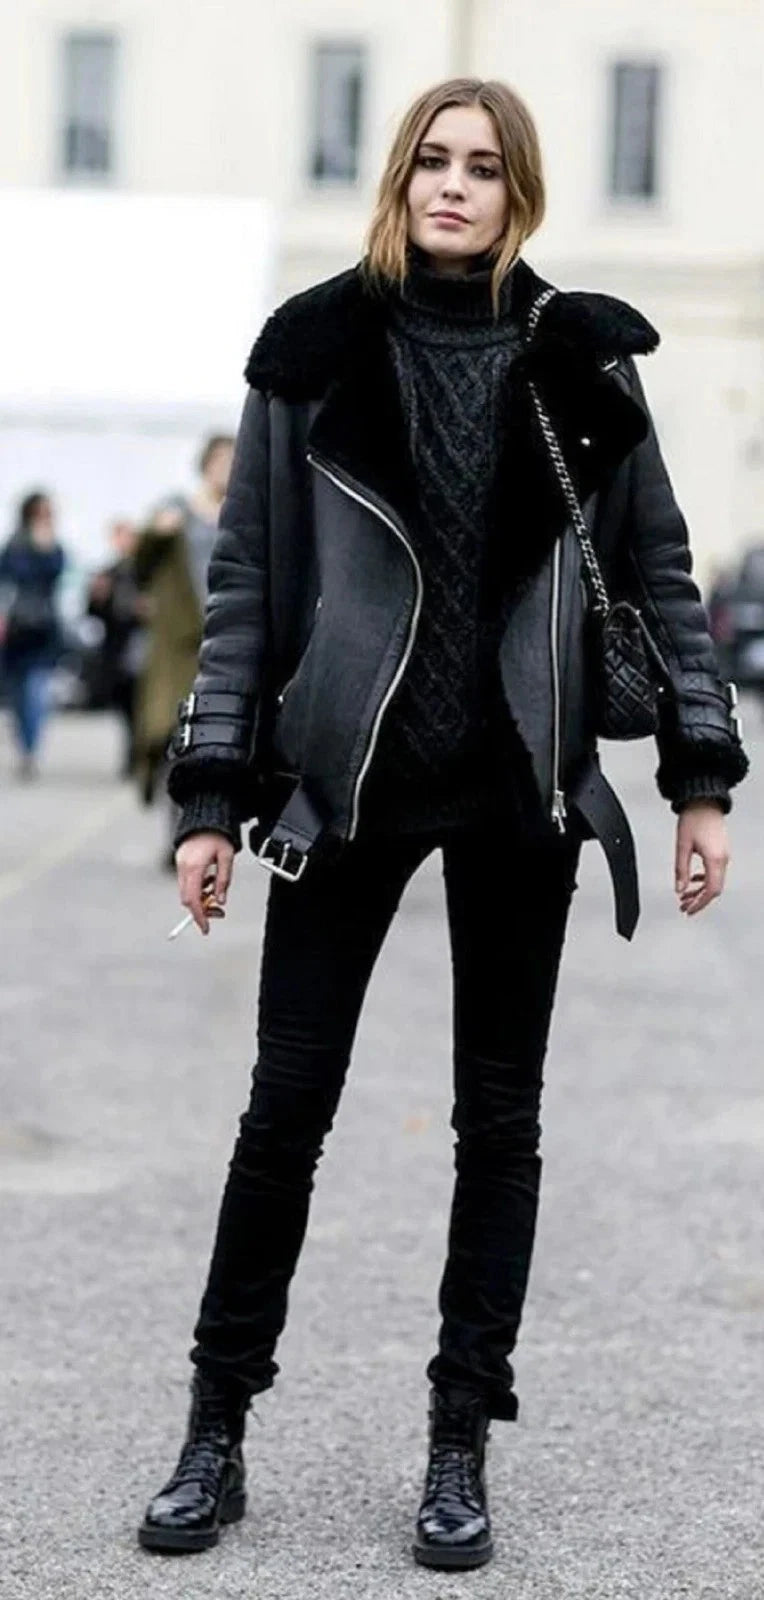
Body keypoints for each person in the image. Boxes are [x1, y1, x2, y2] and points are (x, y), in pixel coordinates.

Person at [137, 78, 748, 1569]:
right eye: (431, 160)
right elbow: (246, 588)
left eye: (481, 166)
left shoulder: (581, 361)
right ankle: (215, 1431)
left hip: (519, 785)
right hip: (344, 787)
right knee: (285, 1110)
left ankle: (460, 1439)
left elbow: (662, 577)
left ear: (517, 191)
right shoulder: (312, 354)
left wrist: (699, 780)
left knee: (501, 1123)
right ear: (400, 179)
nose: (452, 185)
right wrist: (210, 796)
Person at [131, 435, 234, 864]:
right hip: (178, 645)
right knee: (172, 735)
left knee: (210, 739)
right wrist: (156, 533)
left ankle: (195, 828)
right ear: (205, 464)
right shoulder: (176, 509)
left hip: (227, 640)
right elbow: (138, 567)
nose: (227, 468)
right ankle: (177, 828)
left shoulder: (245, 511)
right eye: (221, 460)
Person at [0, 491, 65, 779]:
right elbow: (11, 577)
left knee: (36, 690)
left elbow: (57, 573)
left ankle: (31, 748)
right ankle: (25, 744)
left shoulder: (54, 545)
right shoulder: (14, 545)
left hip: (44, 629)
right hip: (17, 629)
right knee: (18, 694)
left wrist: (46, 546)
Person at [86, 519, 147, 777]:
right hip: (118, 650)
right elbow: (93, 613)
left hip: (143, 646)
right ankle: (134, 751)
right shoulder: (108, 573)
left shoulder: (148, 571)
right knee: (125, 707)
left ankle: (141, 754)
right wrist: (97, 598)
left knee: (144, 705)